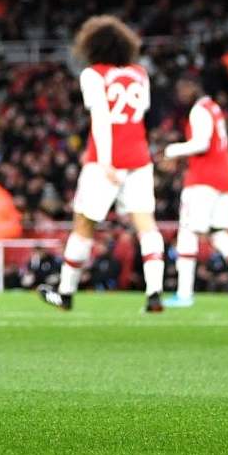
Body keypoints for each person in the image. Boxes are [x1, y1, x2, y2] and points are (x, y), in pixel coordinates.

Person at [43, 16, 164, 313]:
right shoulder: (140, 74)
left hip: (104, 160)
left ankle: (66, 293)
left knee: (84, 224)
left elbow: (101, 119)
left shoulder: (93, 75)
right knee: (146, 223)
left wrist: (108, 161)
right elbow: (140, 113)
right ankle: (155, 293)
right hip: (139, 157)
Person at [161, 74, 228, 308]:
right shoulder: (213, 108)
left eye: (183, 88)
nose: (180, 94)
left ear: (194, 86)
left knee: (187, 232)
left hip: (203, 180)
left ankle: (184, 294)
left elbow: (202, 143)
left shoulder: (199, 109)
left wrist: (172, 149)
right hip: (222, 179)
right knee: (218, 234)